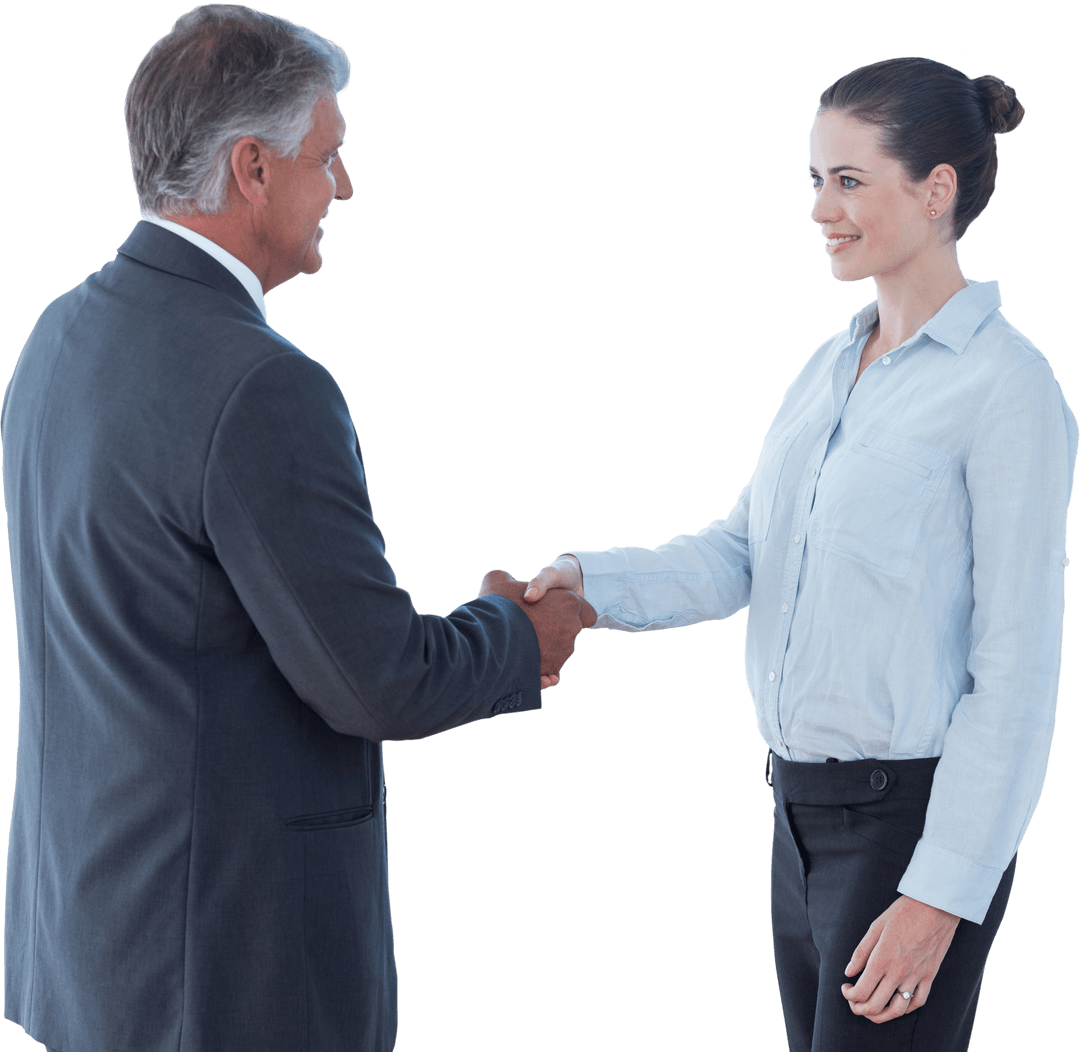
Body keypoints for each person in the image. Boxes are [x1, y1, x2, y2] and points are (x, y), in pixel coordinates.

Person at [0, 6, 594, 1051]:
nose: (345, 186)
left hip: (89, 945)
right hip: (227, 970)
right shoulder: (261, 386)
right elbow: (376, 680)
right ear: (253, 169)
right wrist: (518, 634)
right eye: (328, 156)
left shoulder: (58, 333)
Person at [524, 56, 1077, 1051]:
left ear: (936, 190)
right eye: (816, 180)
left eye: (849, 180)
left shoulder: (1008, 389)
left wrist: (941, 893)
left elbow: (1020, 668)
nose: (821, 208)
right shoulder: (830, 366)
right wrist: (588, 583)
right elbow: (742, 552)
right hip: (793, 816)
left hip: (909, 828)